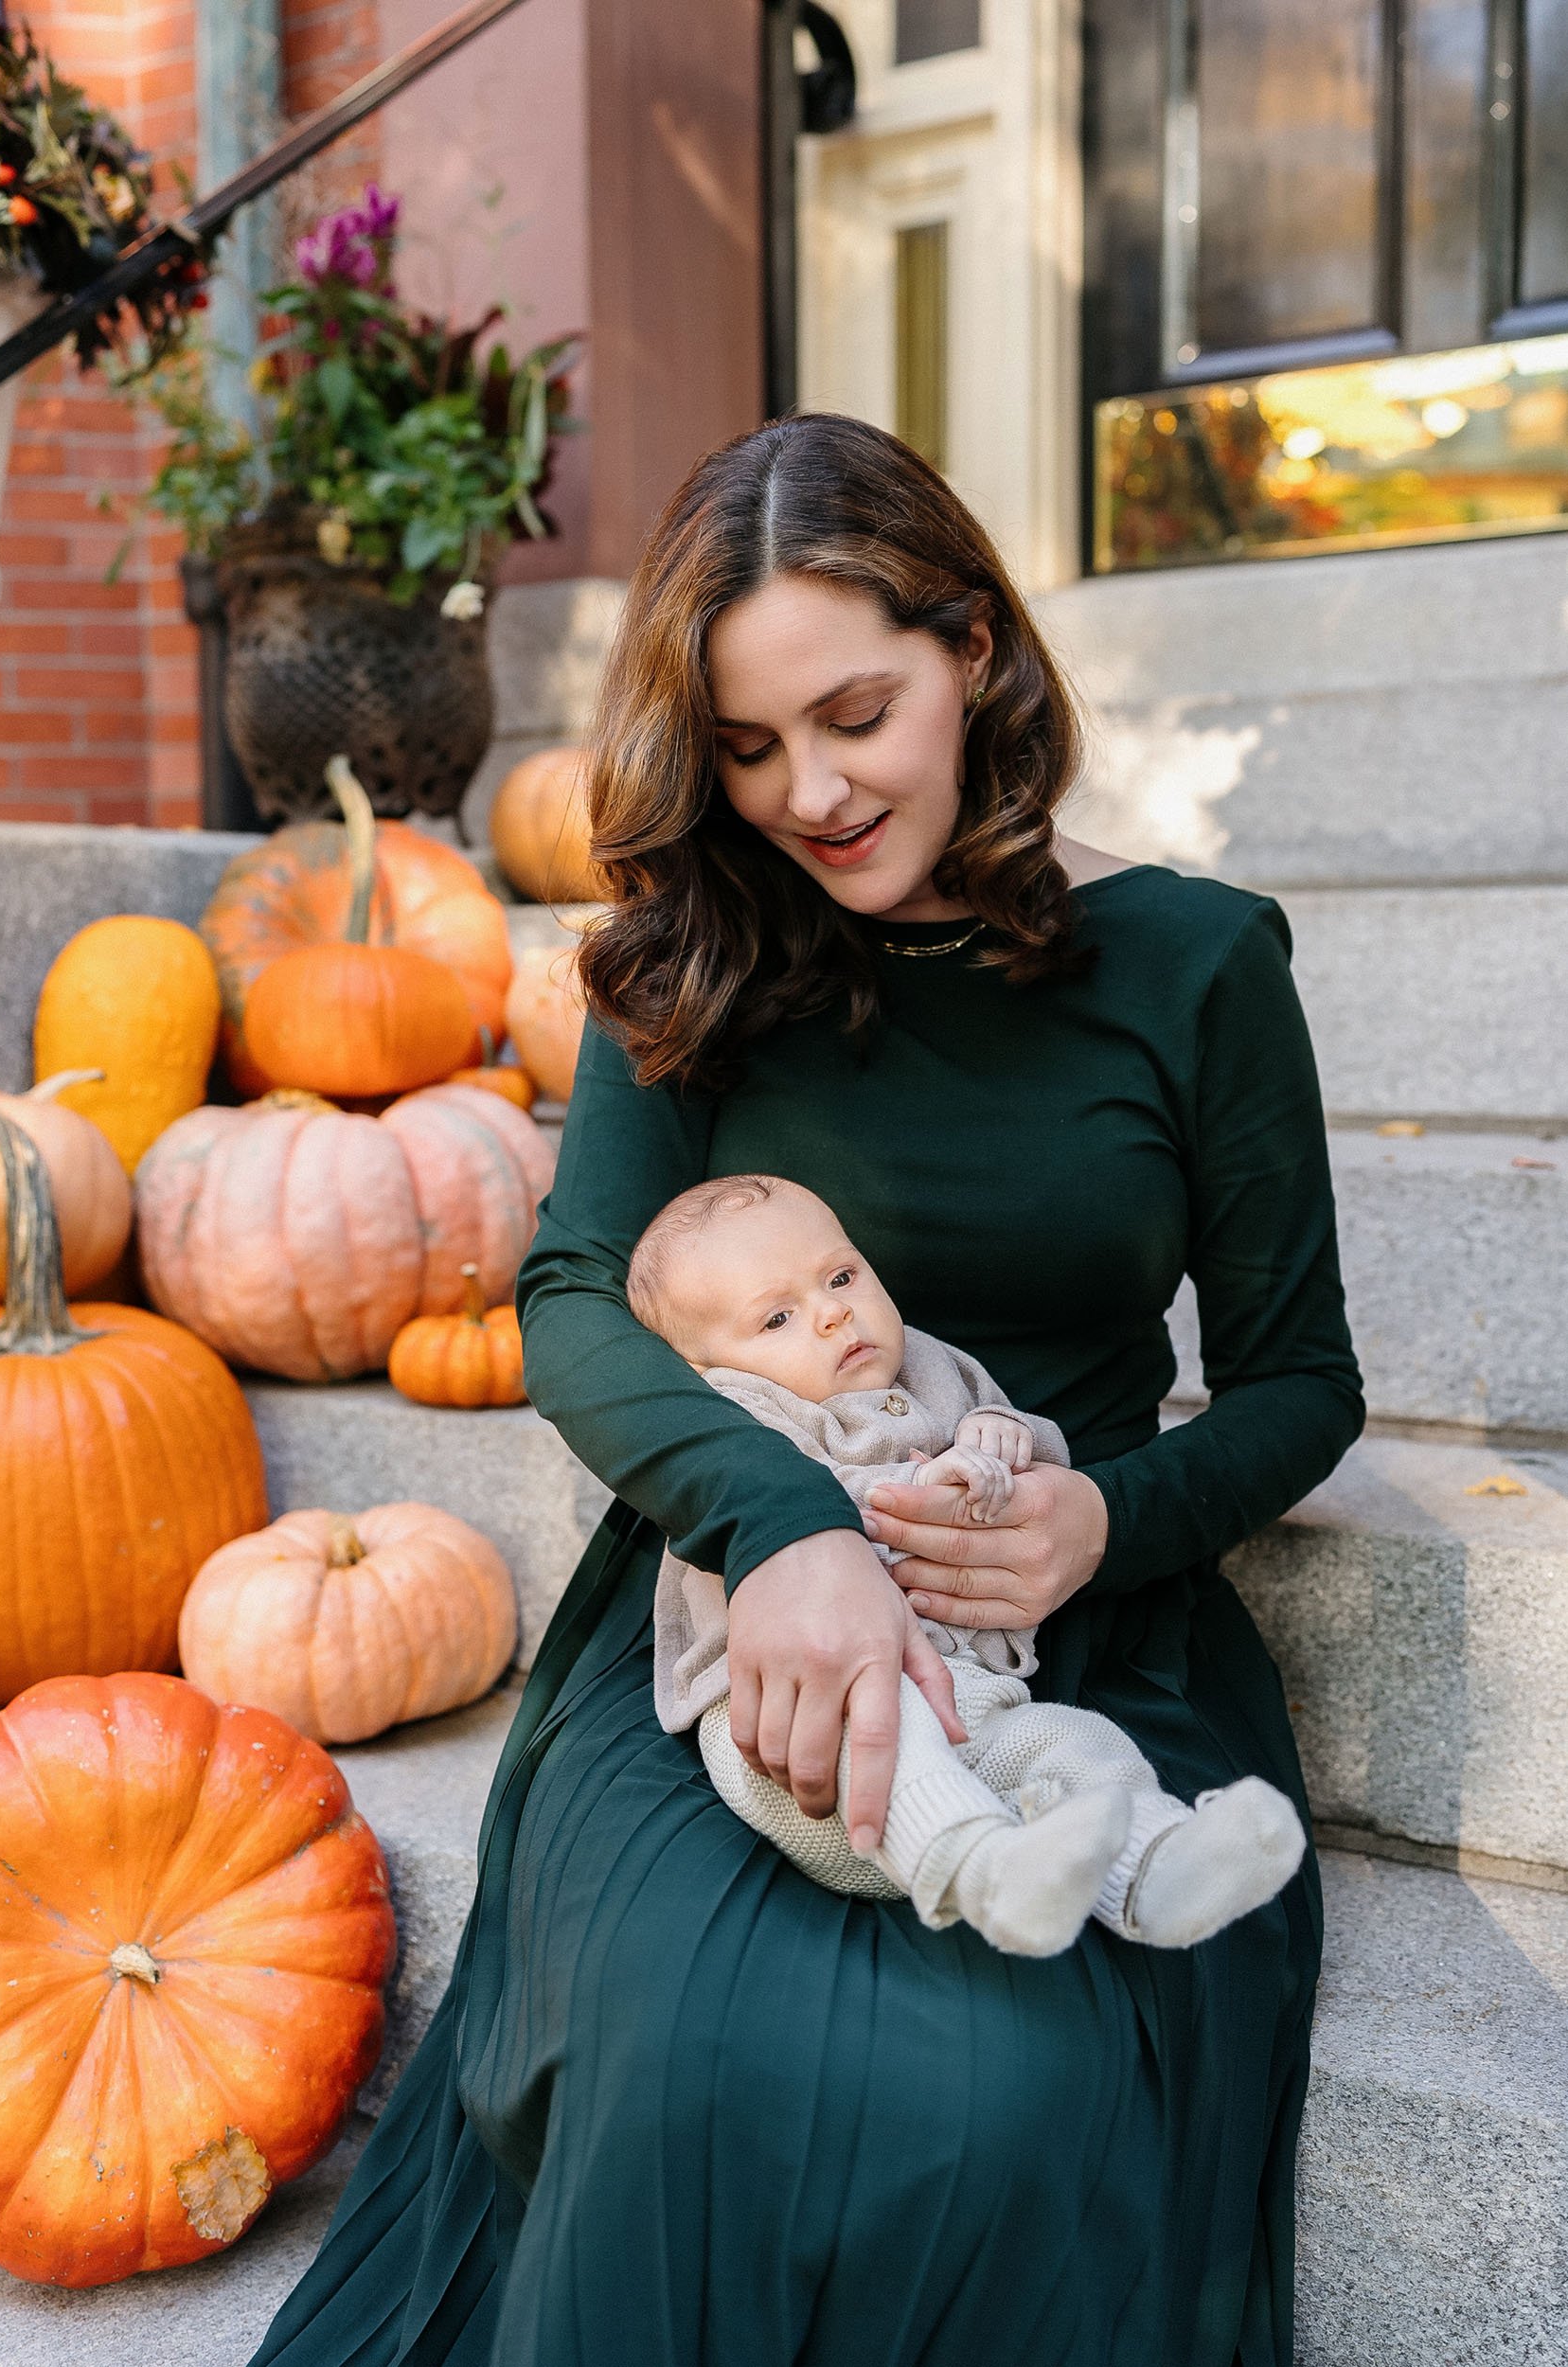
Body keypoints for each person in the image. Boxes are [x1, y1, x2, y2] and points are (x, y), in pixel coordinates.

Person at [250, 412, 1363, 2367]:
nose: (812, 793)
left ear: (974, 654)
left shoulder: (1193, 967)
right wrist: (778, 1523)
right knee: (692, 2059)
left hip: (1064, 1619)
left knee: (1000, 2107)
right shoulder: (685, 957)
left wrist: (1106, 1516)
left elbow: (1298, 1383)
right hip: (720, 1613)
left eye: (853, 712)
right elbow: (575, 1293)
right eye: (749, 748)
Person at [635, 1170, 1306, 1957]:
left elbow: (1009, 1425)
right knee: (894, 1731)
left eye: (842, 1275)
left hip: (974, 1697)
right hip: (808, 1723)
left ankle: (1155, 1868)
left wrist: (1000, 1438)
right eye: (778, 1317)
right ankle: (975, 1870)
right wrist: (921, 1485)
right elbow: (791, 1494)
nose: (832, 1313)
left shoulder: (929, 1364)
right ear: (711, 1368)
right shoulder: (740, 1411)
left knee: (1072, 1743)